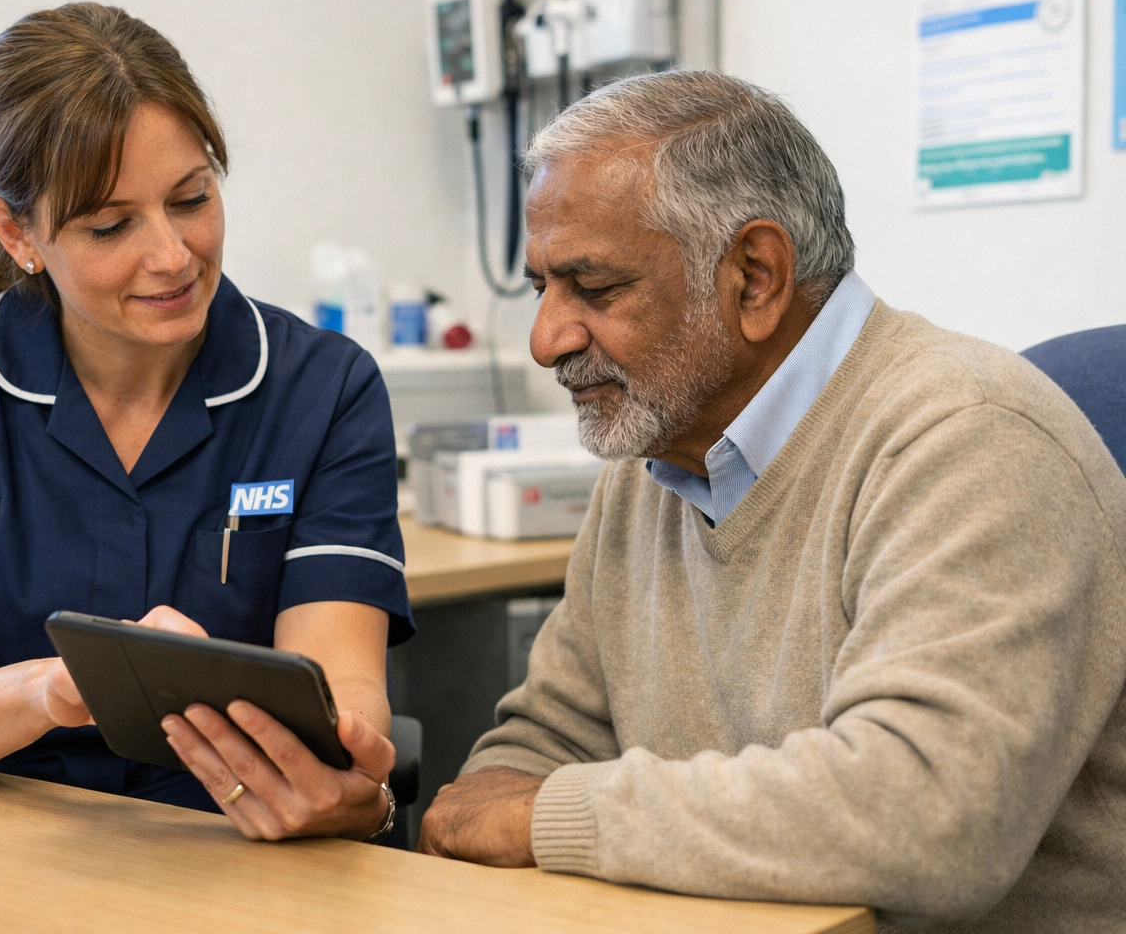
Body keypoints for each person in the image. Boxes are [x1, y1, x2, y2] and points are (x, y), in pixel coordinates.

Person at [416, 71, 1126, 932]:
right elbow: (536, 752)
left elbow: (925, 817)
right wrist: (515, 805)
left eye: (594, 290)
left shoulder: (972, 439)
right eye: (542, 289)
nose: (546, 341)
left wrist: (550, 817)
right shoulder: (650, 457)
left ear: (755, 276)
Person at [0, 3, 410, 844]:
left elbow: (347, 696)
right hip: (6, 844)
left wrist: (343, 777)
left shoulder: (324, 386)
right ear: (16, 232)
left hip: (234, 849)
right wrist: (58, 689)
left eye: (192, 198)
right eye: (109, 226)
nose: (171, 255)